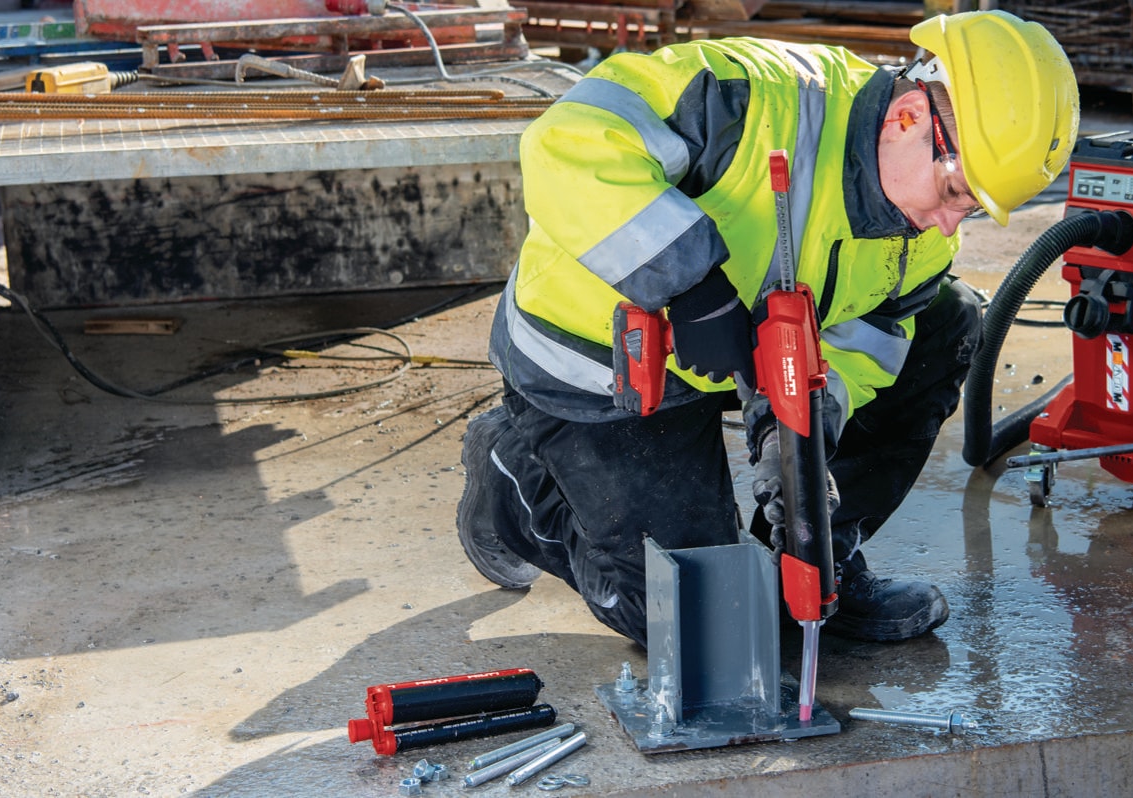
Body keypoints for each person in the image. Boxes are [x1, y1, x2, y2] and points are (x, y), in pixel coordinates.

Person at [456, 10, 1080, 647]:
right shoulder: (740, 98)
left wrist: (804, 439)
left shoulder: (918, 234)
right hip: (601, 360)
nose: (949, 225)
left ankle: (812, 558)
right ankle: (514, 479)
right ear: (909, 118)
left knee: (948, 320)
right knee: (695, 626)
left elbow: (869, 344)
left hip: (739, 353)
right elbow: (565, 143)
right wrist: (690, 285)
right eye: (955, 191)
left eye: (970, 209)